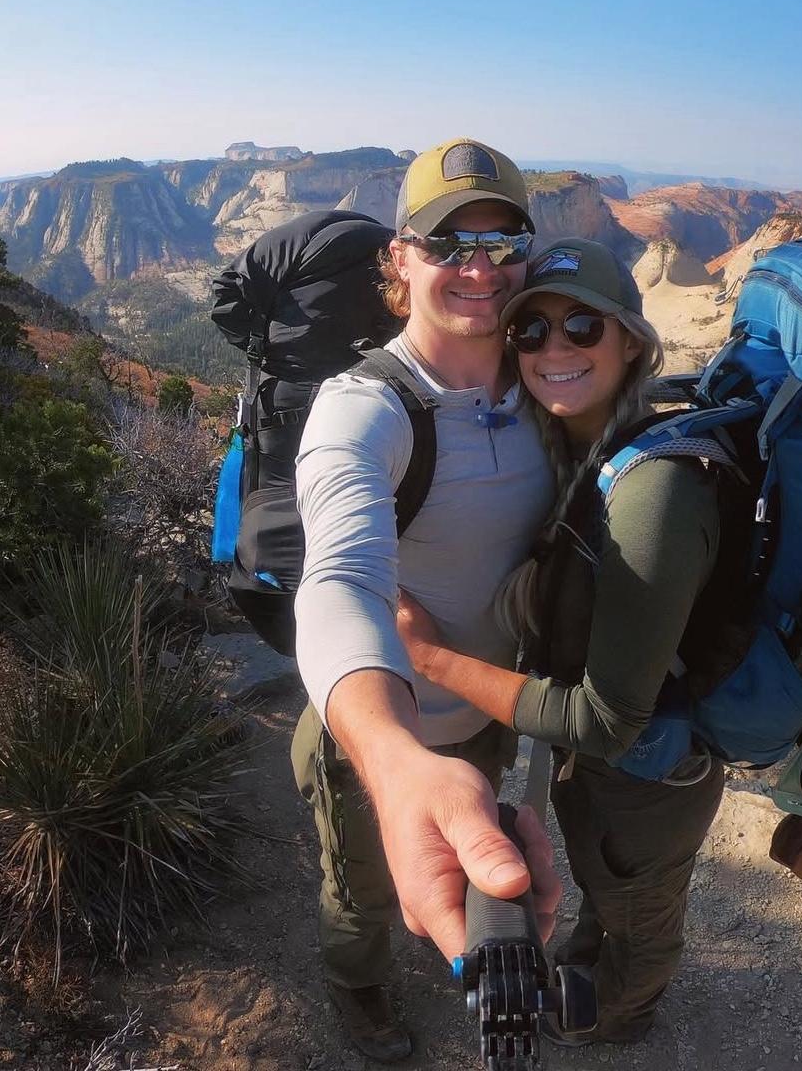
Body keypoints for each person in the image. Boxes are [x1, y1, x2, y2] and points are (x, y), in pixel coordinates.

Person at [398, 236, 739, 1046]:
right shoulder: (579, 453)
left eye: (583, 326)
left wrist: (429, 656)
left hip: (652, 773)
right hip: (600, 769)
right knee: (604, 881)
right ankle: (593, 964)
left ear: (632, 343)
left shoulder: (653, 492)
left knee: (640, 910)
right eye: (531, 330)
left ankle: (622, 1017)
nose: (554, 349)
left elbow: (605, 720)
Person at [291, 138, 562, 1062]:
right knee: (360, 884)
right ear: (400, 259)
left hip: (486, 716)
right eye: (448, 243)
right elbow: (339, 580)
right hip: (375, 730)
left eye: (502, 241)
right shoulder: (365, 410)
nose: (480, 268)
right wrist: (397, 760)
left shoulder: (550, 385)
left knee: (452, 859)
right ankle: (357, 987)